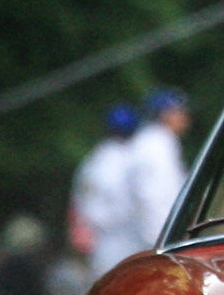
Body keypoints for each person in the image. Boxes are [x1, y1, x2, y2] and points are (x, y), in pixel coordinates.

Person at [70, 104, 145, 275]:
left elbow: (81, 204)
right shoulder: (132, 158)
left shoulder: (92, 162)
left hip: (102, 242)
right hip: (129, 236)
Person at [123, 86, 193, 249]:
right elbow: (155, 197)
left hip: (152, 233)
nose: (186, 117)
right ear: (165, 115)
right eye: (180, 111)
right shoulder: (156, 146)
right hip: (159, 235)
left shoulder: (155, 141)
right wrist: (170, 236)